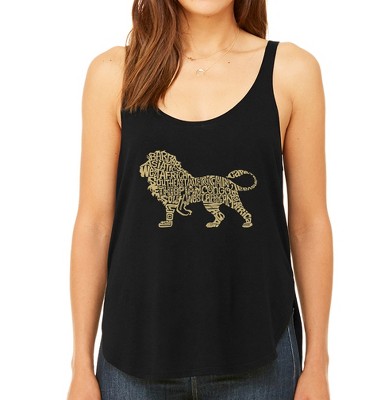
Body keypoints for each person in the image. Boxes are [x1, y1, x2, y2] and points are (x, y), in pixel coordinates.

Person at [67, 0, 333, 399]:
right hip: (133, 358)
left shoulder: (292, 71)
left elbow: (309, 226)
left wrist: (317, 365)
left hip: (261, 355)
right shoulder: (114, 73)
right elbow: (94, 225)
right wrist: (81, 367)